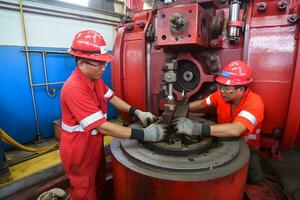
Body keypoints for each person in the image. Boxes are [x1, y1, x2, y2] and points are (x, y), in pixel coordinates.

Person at [60, 30, 166, 199]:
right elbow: (102, 126)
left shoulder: (95, 79)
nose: (103, 68)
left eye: (105, 64)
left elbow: (112, 98)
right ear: (81, 63)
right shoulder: (74, 89)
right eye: (99, 64)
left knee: (98, 182)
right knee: (84, 192)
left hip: (94, 144)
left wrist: (137, 112)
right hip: (79, 149)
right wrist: (143, 134)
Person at [173, 60, 264, 184]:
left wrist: (196, 128)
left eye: (227, 88)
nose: (222, 91)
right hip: (222, 138)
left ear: (241, 89)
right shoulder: (220, 96)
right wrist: (180, 110)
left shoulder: (254, 103)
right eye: (220, 86)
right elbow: (201, 104)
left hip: (247, 147)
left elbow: (236, 129)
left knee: (255, 178)